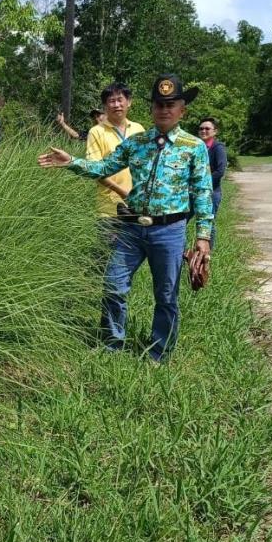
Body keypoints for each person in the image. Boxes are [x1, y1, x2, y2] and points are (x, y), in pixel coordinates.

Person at [38, 74, 213, 362]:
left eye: (171, 104)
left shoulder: (193, 147)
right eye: (159, 104)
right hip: (130, 227)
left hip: (169, 231)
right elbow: (104, 167)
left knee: (166, 296)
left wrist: (203, 237)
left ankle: (159, 353)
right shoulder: (137, 143)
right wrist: (71, 162)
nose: (164, 109)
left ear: (183, 109)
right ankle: (111, 345)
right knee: (113, 286)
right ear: (151, 108)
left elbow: (203, 193)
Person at [86, 84, 145, 233]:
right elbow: (94, 170)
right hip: (109, 209)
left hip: (138, 207)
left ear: (129, 102)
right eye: (112, 101)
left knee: (135, 253)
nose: (117, 105)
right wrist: (124, 193)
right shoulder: (96, 132)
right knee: (106, 254)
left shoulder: (139, 129)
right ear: (105, 105)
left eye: (120, 100)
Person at [197, 116, 228, 245]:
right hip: (194, 192)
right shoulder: (197, 147)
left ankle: (206, 253)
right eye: (201, 128)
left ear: (215, 131)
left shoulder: (218, 148)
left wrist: (203, 182)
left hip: (211, 192)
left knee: (208, 224)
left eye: (207, 128)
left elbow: (220, 171)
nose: (203, 131)